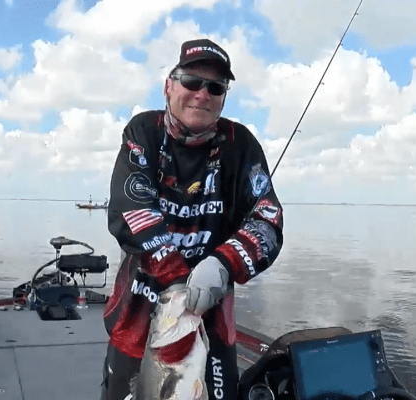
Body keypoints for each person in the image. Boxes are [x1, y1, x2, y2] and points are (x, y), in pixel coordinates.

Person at [101, 38, 284, 400]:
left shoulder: (241, 145)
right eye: (192, 81)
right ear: (169, 87)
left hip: (213, 320)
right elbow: (129, 208)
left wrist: (223, 263)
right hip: (139, 318)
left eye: (215, 87)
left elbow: (268, 219)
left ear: (223, 98)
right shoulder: (144, 131)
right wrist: (176, 281)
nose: (202, 94)